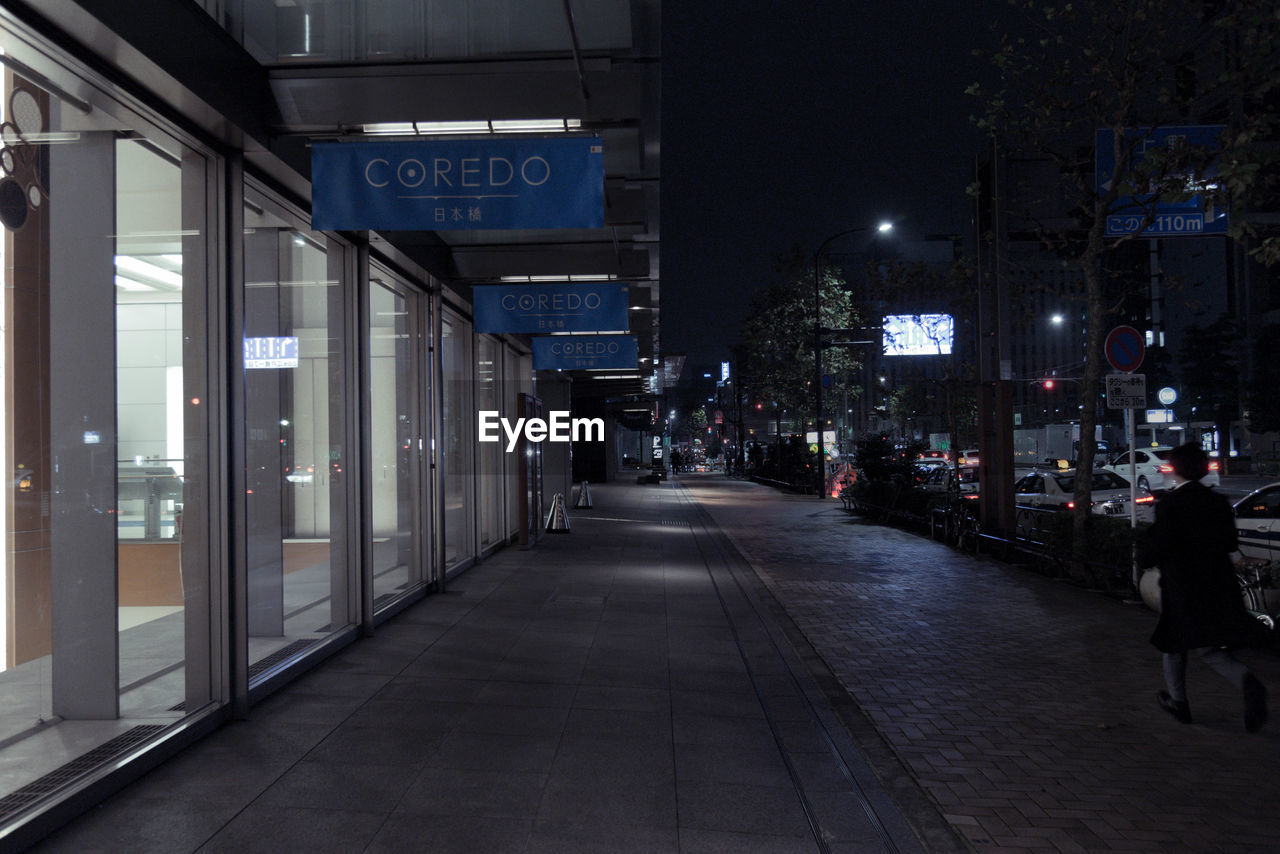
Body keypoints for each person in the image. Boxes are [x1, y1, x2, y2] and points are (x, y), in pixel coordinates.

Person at [1137, 442, 1268, 732]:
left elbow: (1158, 546)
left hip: (1183, 586)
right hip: (1217, 584)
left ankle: (1178, 701)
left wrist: (1146, 551)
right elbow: (1229, 543)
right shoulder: (1217, 502)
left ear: (1176, 470)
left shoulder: (1171, 504)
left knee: (1173, 643)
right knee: (1208, 647)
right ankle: (1248, 682)